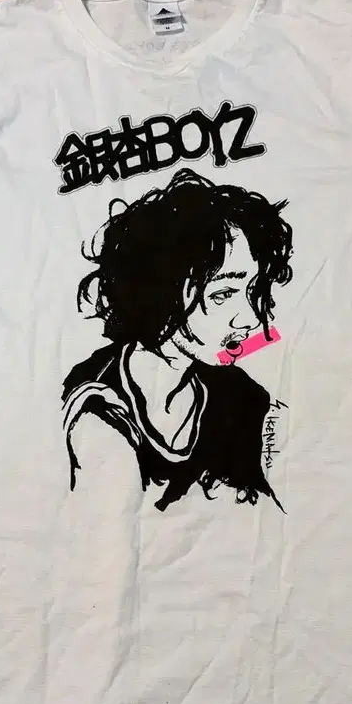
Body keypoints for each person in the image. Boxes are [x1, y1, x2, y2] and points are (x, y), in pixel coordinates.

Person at [62, 168, 293, 511]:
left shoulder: (243, 396)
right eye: (222, 294)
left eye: (253, 291)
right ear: (160, 293)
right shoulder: (98, 404)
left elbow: (262, 510)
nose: (249, 319)